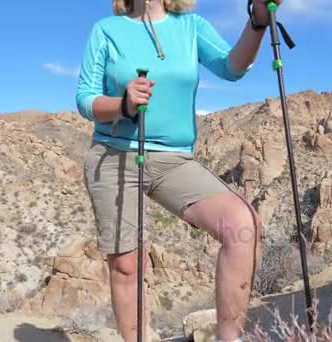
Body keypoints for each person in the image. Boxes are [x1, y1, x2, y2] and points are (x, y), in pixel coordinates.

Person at [76, 0, 280, 341]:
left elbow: (232, 67)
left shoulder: (191, 27)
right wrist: (123, 105)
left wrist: (258, 21)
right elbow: (86, 99)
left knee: (243, 225)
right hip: (114, 155)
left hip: (174, 160)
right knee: (127, 265)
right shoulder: (106, 31)